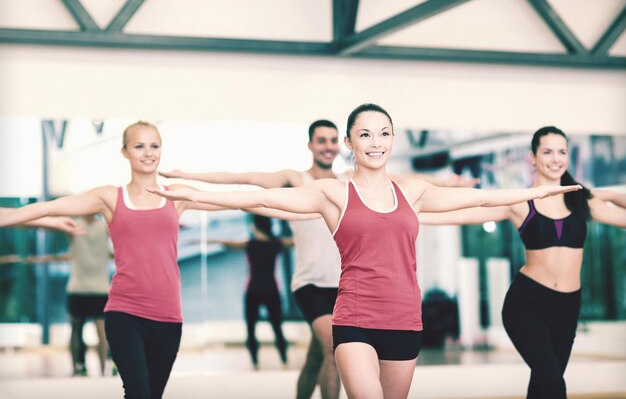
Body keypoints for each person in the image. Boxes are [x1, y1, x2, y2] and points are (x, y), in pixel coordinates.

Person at [148, 105, 581, 399]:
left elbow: (484, 200)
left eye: (385, 133)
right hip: (354, 318)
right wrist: (194, 192)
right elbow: (260, 200)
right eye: (365, 134)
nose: (376, 141)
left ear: (392, 141)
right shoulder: (330, 192)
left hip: (404, 320)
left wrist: (537, 190)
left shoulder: (411, 191)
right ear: (351, 144)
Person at [0, 121, 308, 399]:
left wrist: (305, 208)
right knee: (137, 391)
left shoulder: (177, 196)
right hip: (124, 312)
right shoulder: (110, 197)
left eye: (154, 145)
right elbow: (48, 209)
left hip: (168, 316)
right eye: (139, 146)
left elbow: (244, 201)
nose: (148, 153)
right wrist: (6, 219)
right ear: (125, 152)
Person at [419, 126, 626, 399]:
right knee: (554, 385)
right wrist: (415, 216)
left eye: (562, 152)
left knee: (543, 385)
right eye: (547, 152)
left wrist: (608, 194)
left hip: (567, 306)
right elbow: (464, 213)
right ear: (533, 157)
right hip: (527, 304)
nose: (556, 159)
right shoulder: (519, 201)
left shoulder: (582, 202)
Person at [25, 214, 113, 377]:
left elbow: (49, 227)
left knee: (76, 330)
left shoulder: (74, 225)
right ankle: (102, 372)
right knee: (101, 333)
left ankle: (76, 370)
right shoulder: (105, 227)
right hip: (99, 288)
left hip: (79, 288)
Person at [209, 214, 293, 368]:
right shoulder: (276, 244)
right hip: (270, 290)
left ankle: (256, 363)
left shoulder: (251, 244)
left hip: (254, 291)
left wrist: (211, 240)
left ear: (256, 226)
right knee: (276, 327)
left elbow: (229, 244)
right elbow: (295, 242)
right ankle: (284, 361)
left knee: (252, 328)